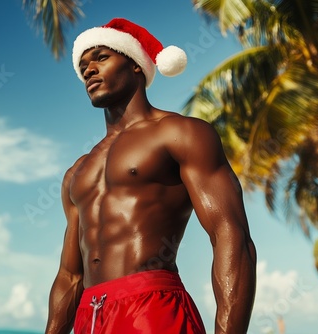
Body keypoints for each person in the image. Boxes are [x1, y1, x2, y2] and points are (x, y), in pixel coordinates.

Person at [45, 18, 256, 334]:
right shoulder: (78, 172)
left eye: (101, 57)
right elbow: (69, 275)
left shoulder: (179, 133)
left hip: (152, 309)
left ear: (135, 65)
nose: (88, 70)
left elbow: (230, 234)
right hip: (90, 317)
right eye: (83, 65)